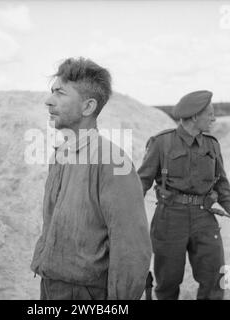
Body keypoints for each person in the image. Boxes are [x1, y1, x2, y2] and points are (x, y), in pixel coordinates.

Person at [31, 57, 152, 300]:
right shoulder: (61, 153)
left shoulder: (111, 160)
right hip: (52, 284)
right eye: (52, 92)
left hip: (86, 293)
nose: (48, 101)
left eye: (60, 93)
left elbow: (131, 249)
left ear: (87, 107)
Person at [138, 90, 230, 300]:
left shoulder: (212, 145)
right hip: (169, 218)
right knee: (167, 283)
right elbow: (141, 183)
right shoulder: (161, 143)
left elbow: (223, 186)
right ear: (195, 116)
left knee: (215, 278)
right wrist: (128, 220)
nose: (214, 118)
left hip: (204, 217)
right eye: (210, 114)